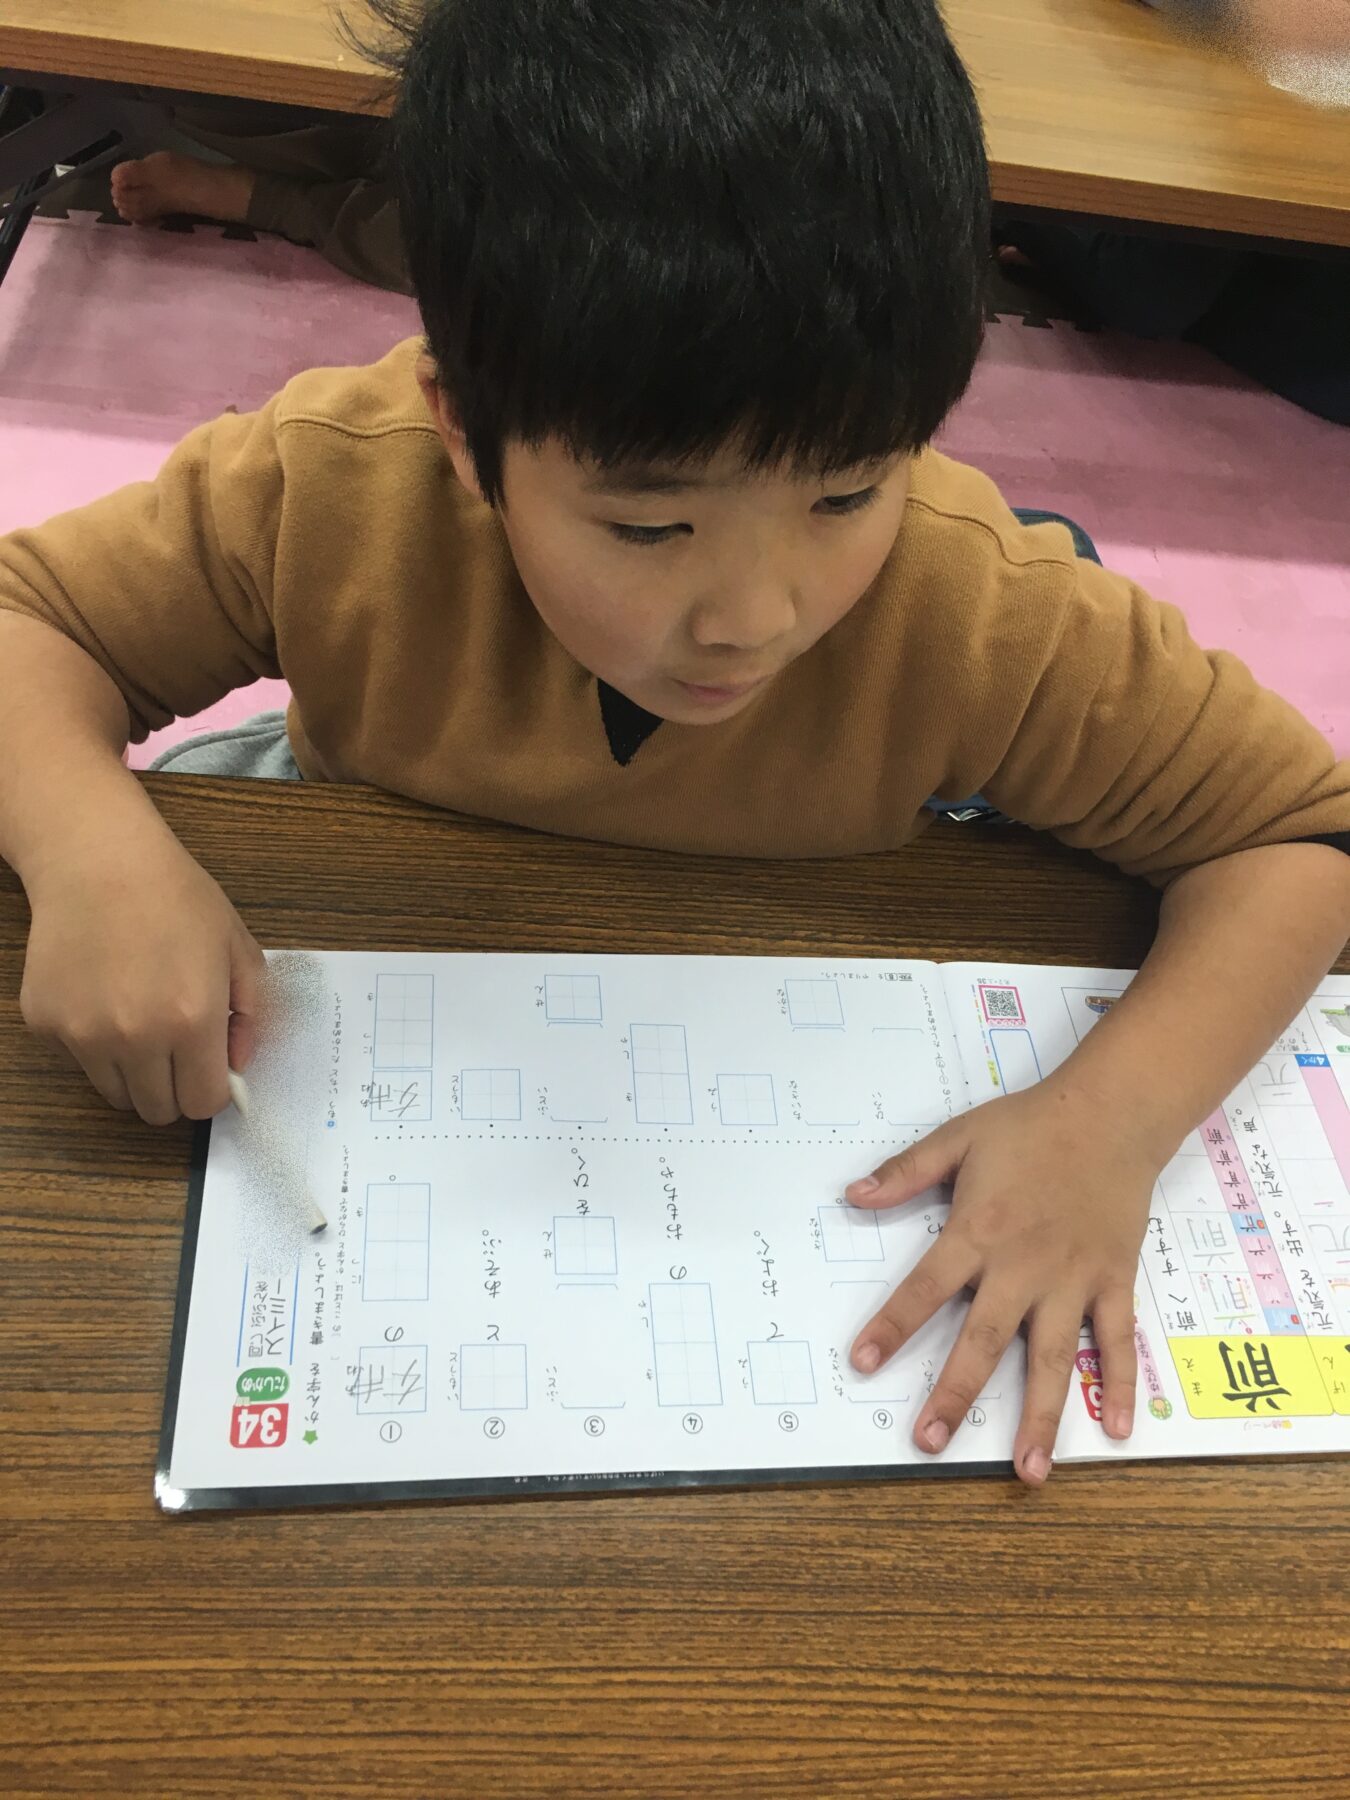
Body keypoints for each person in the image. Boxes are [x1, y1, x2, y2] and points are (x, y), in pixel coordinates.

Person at [1, 0, 1348, 1489]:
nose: (754, 618)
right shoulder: (331, 489)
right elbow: (27, 620)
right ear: (465, 433)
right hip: (353, 978)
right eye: (650, 526)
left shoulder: (976, 607)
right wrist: (89, 851)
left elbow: (1297, 836)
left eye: (845, 494)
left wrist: (1109, 1124)